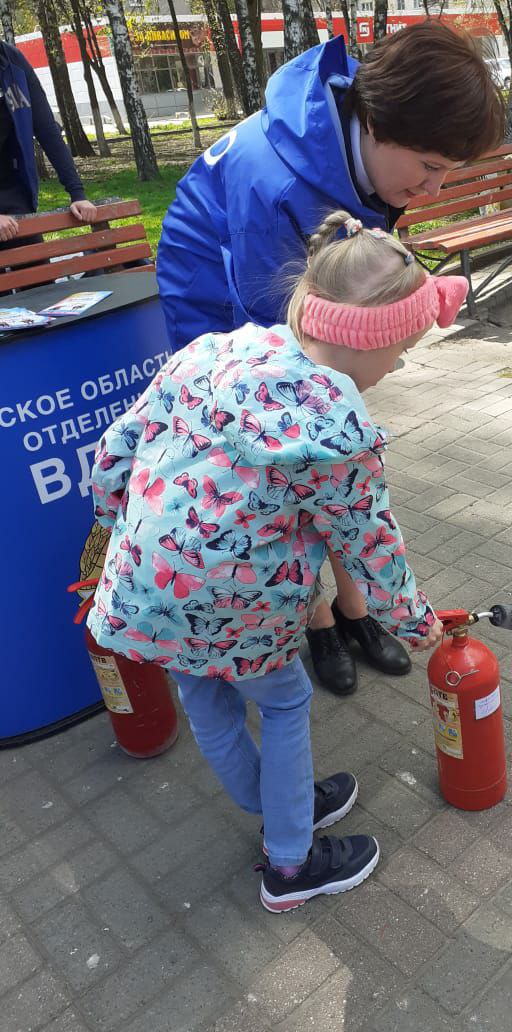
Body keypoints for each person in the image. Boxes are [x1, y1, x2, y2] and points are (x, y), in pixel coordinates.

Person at [86, 211, 467, 913]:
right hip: (240, 603)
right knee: (286, 701)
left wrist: (110, 519)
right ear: (371, 338)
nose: (400, 366)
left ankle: (280, 800)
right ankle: (289, 864)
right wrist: (416, 626)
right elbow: (373, 549)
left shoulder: (214, 351)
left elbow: (117, 446)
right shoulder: (335, 430)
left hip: (148, 582)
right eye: (403, 349)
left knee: (209, 703)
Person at [156, 22, 505, 695]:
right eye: (429, 168)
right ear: (375, 120)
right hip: (220, 295)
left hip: (300, 280)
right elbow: (288, 367)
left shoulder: (369, 150)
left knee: (339, 441)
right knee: (289, 457)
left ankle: (356, 607)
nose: (432, 189)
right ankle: (317, 619)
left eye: (446, 173)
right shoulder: (274, 184)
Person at [0, 40, 97, 245]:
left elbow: (47, 130)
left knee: (37, 269)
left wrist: (77, 193)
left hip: (13, 194)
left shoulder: (12, 60)